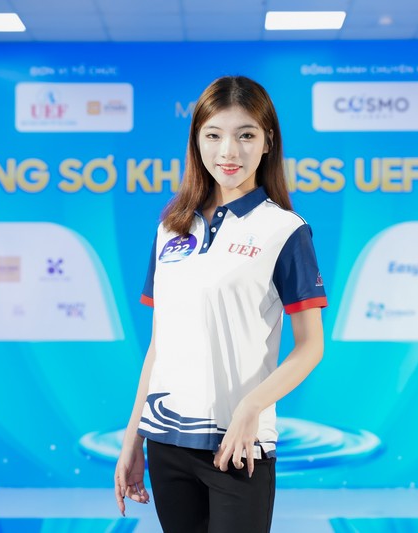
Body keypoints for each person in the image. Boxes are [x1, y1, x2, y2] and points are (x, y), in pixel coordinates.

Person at [113, 75, 327, 532]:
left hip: (239, 445)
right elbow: (159, 346)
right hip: (166, 443)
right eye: (213, 135)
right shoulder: (170, 228)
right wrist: (133, 438)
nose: (228, 151)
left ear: (268, 142)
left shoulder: (285, 231)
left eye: (245, 135)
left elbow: (311, 346)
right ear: (196, 142)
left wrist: (251, 407)